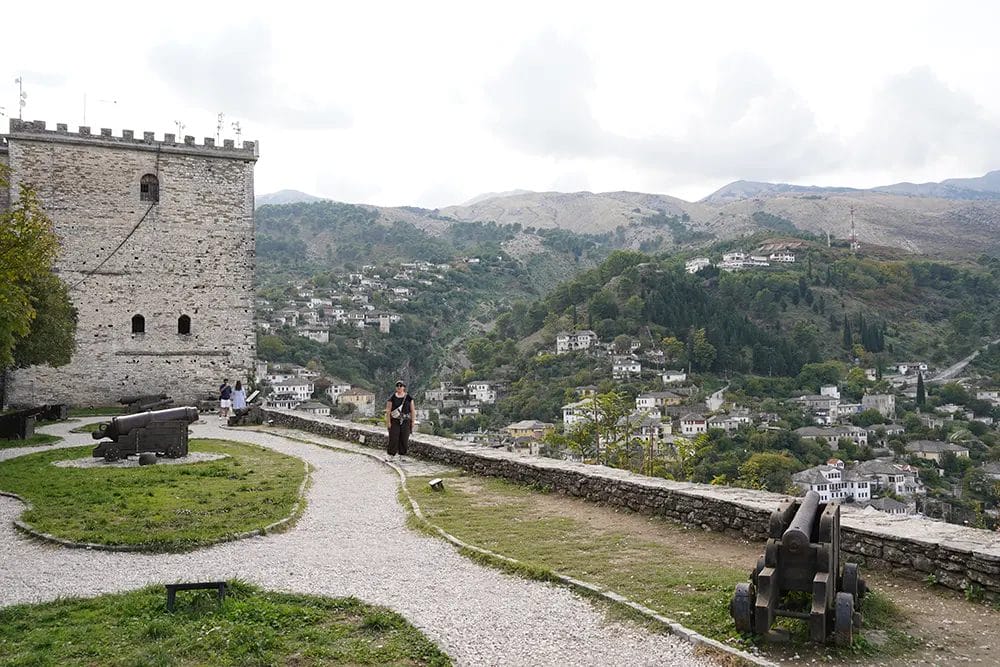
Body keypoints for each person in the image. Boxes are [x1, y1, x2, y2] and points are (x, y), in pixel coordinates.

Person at [385, 379, 415, 462]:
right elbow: (388, 411)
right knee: (393, 438)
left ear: (404, 387)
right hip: (395, 420)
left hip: (406, 420)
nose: (399, 387)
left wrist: (413, 422)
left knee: (404, 438)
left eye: (400, 386)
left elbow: (412, 410)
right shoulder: (392, 398)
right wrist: (388, 422)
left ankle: (402, 455)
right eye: (397, 386)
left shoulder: (409, 398)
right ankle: (390, 455)